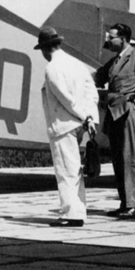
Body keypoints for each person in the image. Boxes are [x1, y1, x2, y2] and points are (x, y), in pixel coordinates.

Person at [36, 26, 100, 227]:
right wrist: (90, 118)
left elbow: (65, 98)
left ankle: (71, 214)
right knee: (75, 170)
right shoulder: (77, 64)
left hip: (63, 124)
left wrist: (82, 114)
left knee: (66, 170)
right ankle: (78, 211)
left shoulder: (52, 68)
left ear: (46, 49)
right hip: (79, 125)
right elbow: (93, 94)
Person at [93, 23, 135, 219]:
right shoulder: (114, 61)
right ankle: (125, 202)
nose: (108, 40)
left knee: (129, 159)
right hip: (114, 113)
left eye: (111, 37)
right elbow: (97, 77)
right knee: (118, 159)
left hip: (128, 113)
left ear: (123, 38)